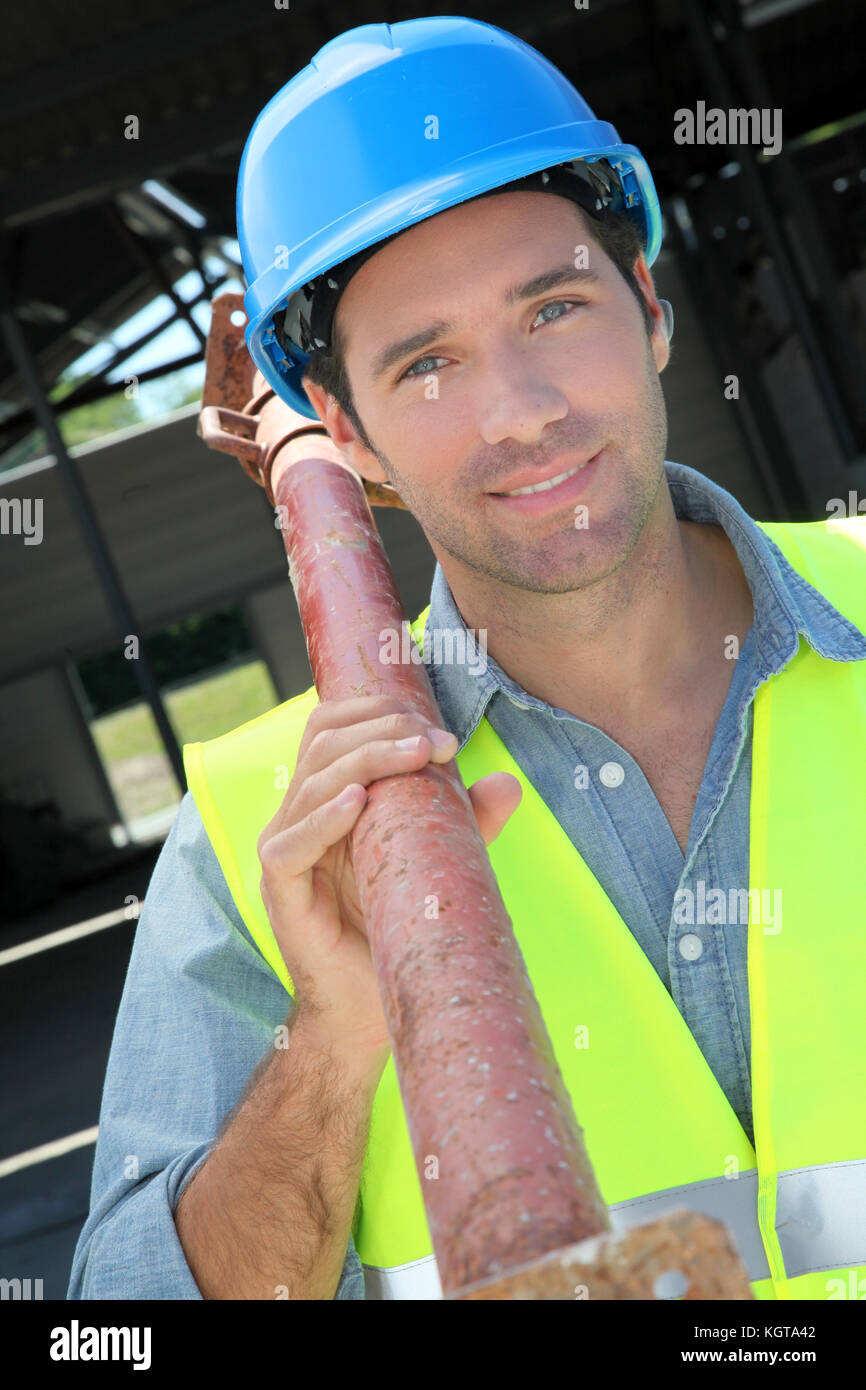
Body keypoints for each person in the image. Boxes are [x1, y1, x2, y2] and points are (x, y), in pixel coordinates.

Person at [68, 16, 866, 1302]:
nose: (520, 410)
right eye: (424, 364)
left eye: (553, 307)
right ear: (350, 435)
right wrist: (332, 1049)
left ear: (649, 309)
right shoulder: (266, 842)